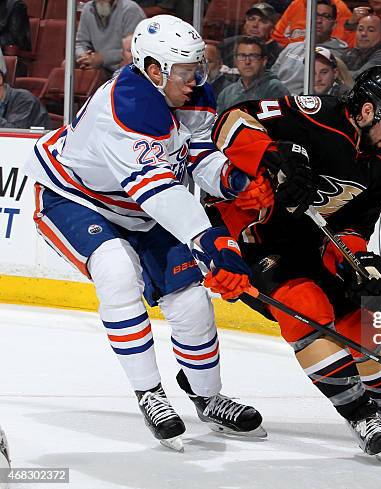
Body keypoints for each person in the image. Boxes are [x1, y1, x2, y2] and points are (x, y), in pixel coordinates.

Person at [24, 15, 268, 451]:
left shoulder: (189, 93)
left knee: (191, 300)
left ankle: (207, 397)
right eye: (185, 70)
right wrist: (212, 240)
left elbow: (195, 154)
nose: (196, 80)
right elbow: (157, 192)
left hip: (142, 208)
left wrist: (234, 182)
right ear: (153, 69)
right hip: (75, 199)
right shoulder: (126, 106)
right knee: (118, 273)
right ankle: (150, 394)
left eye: (198, 68)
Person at [210, 66, 381, 463]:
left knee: (359, 316)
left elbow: (352, 227)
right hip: (259, 238)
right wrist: (272, 154)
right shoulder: (314, 114)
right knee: (308, 310)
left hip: (314, 244)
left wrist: (361, 266)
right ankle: (359, 415)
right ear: (367, 110)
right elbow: (230, 121)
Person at [271, 0, 348, 95]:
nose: (319, 20)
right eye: (315, 15)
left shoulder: (340, 54)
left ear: (334, 24)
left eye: (326, 16)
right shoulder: (291, 47)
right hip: (274, 99)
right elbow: (272, 75)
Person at [217, 36, 289, 114]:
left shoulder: (275, 89)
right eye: (242, 56)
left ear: (264, 61)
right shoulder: (226, 93)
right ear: (235, 60)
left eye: (253, 56)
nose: (247, 61)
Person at [76, 0, 146, 78]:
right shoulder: (88, 8)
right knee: (67, 64)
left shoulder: (130, 9)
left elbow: (133, 50)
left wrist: (102, 58)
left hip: (122, 66)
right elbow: (80, 42)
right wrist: (84, 57)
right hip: (100, 67)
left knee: (127, 64)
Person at [218, 3, 283, 70]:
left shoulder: (279, 53)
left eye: (263, 21)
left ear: (272, 27)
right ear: (245, 23)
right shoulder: (227, 44)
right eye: (251, 19)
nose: (255, 25)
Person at [271, 0, 352, 47]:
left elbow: (344, 44)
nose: (319, 20)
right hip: (293, 55)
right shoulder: (297, 4)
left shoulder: (339, 8)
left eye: (325, 16)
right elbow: (278, 38)